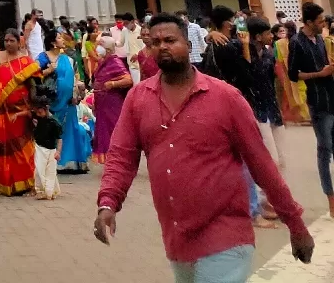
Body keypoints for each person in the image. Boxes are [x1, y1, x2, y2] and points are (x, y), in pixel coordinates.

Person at [95, 14, 313, 281]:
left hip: (226, 234)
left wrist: (295, 223)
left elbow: (262, 165)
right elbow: (122, 157)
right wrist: (108, 203)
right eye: (155, 42)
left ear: (188, 44)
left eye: (170, 40)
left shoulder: (226, 98)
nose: (162, 46)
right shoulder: (138, 99)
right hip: (177, 238)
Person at [289, 0, 334, 217]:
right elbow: (293, 74)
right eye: (319, 20)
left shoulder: (319, 40)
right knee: (325, 149)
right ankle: (331, 198)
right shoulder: (297, 42)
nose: (323, 23)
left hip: (332, 97)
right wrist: (319, 74)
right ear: (308, 22)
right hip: (317, 102)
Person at [0, 26, 41, 196]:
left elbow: (32, 85)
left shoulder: (26, 61)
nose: (8, 44)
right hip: (2, 110)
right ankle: (7, 183)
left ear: (19, 43)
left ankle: (25, 181)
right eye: (6, 41)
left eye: (12, 41)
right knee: (4, 146)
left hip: (20, 112)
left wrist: (34, 106)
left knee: (22, 147)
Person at [43, 25, 90, 174]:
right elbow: (35, 76)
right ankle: (54, 162)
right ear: (52, 42)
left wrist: (77, 91)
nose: (62, 40)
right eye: (59, 37)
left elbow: (76, 77)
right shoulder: (42, 58)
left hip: (69, 102)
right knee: (54, 131)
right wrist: (49, 70)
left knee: (70, 129)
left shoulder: (69, 59)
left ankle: (71, 162)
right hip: (52, 103)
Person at [246, 15, 287, 172]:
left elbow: (274, 81)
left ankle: (276, 193)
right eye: (268, 33)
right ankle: (266, 195)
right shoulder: (243, 54)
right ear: (257, 36)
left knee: (282, 159)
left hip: (272, 108)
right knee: (271, 160)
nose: (271, 36)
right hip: (256, 110)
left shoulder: (269, 54)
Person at [91, 33, 132, 164]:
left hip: (112, 103)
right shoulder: (103, 62)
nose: (97, 48)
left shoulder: (115, 62)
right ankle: (111, 160)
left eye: (100, 46)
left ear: (108, 49)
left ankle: (119, 160)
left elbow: (128, 79)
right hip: (102, 104)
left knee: (114, 130)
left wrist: (113, 84)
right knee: (105, 132)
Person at [275, 22, 307, 123]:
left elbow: (279, 60)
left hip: (289, 73)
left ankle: (302, 116)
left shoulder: (279, 43)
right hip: (302, 72)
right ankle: (304, 116)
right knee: (302, 93)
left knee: (293, 94)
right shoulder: (301, 40)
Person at [32, 100, 63, 201]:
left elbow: (59, 139)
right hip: (39, 147)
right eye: (37, 113)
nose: (38, 115)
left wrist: (58, 152)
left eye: (40, 112)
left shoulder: (54, 123)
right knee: (39, 170)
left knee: (50, 171)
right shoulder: (38, 118)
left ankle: (49, 191)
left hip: (51, 150)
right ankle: (41, 190)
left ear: (46, 109)